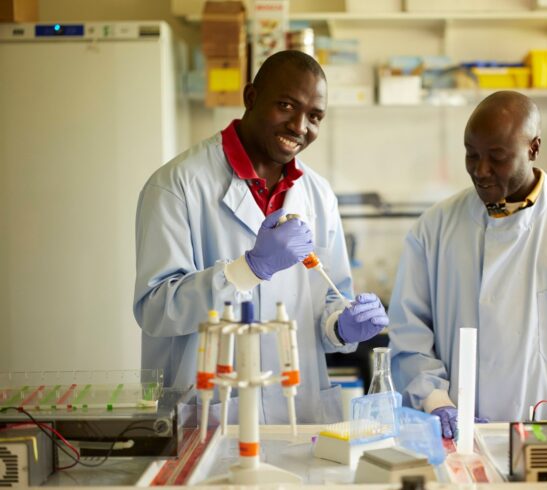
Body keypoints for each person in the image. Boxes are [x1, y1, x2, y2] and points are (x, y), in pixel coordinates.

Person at [134, 51, 388, 424]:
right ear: (250, 97)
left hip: (298, 413)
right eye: (286, 105)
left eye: (314, 117)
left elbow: (331, 299)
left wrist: (343, 325)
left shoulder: (318, 194)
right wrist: (247, 269)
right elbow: (155, 309)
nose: (300, 126)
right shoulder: (177, 185)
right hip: (209, 414)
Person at [388, 91, 547, 438]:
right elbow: (409, 334)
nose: (481, 171)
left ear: (534, 148)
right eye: (472, 155)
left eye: (497, 157)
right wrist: (435, 400)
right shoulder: (433, 229)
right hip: (460, 440)